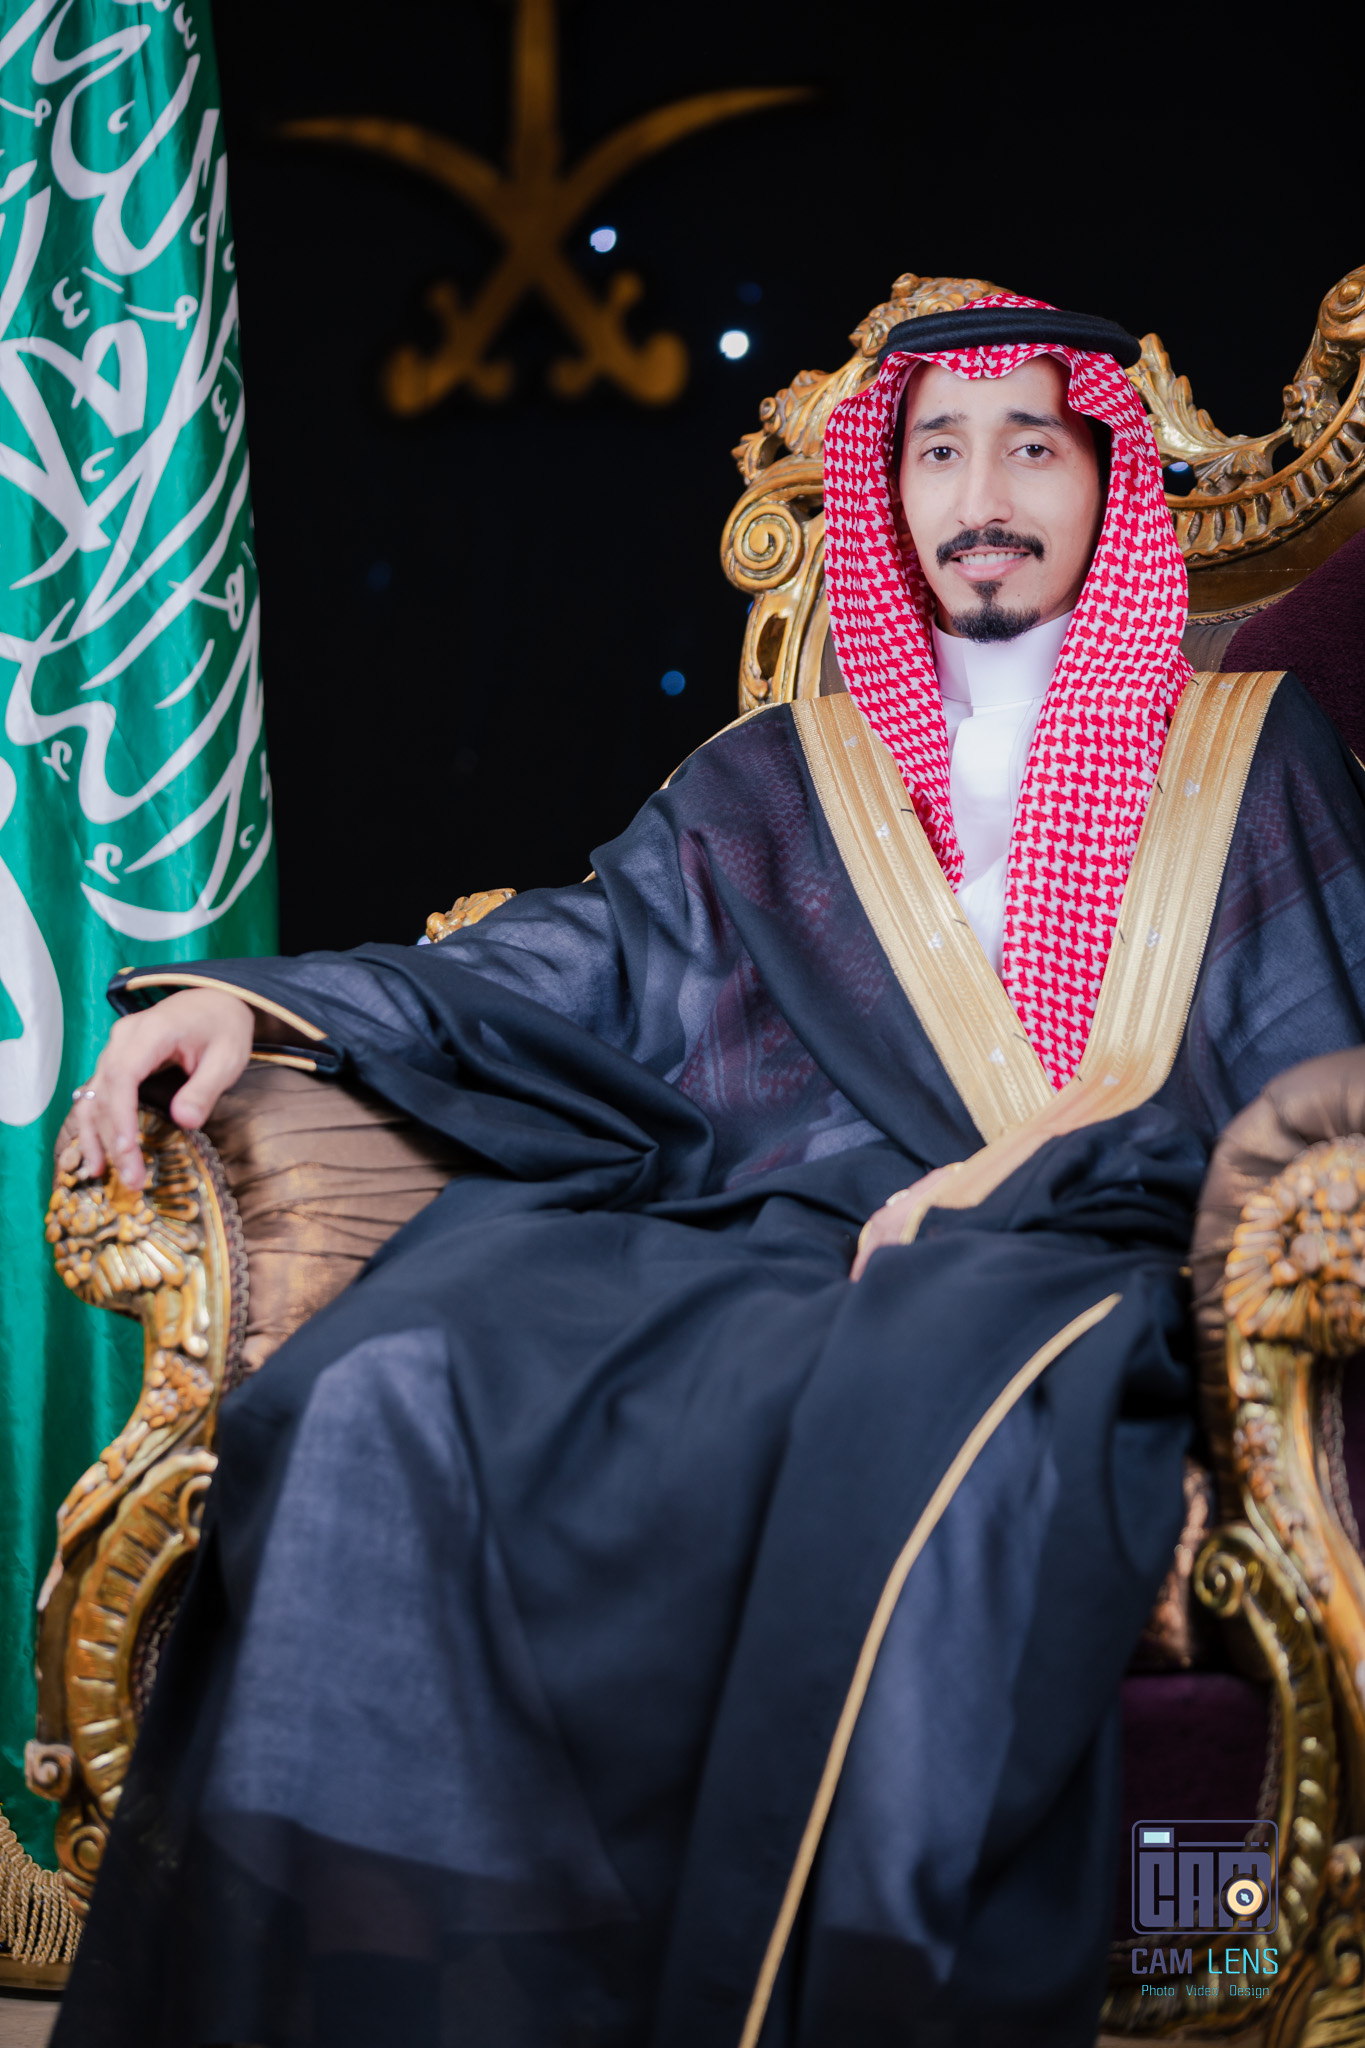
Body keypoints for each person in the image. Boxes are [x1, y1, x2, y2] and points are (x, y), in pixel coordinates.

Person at [51, 294, 1365, 2048]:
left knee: (923, 1358)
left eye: (1031, 448)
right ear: (888, 490)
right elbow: (563, 964)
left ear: (1104, 484)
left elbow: (1311, 1077)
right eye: (939, 450)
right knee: (394, 1374)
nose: (983, 496)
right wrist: (250, 1006)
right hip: (771, 1232)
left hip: (1084, 1254)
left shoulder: (1251, 754)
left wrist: (1015, 1189)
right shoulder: (775, 780)